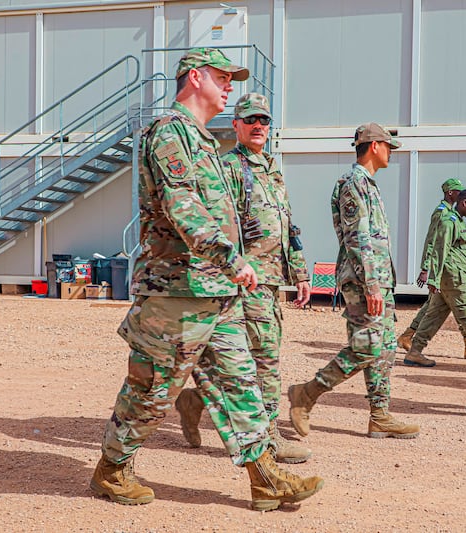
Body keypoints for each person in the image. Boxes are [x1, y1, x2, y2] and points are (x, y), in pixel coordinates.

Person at [89, 48, 322, 512]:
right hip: (177, 291)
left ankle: (265, 477)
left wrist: (232, 267)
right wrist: (231, 257)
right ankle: (112, 469)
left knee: (240, 383)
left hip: (217, 290)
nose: (230, 85)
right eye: (222, 76)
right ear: (194, 78)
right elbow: (182, 207)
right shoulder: (168, 134)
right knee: (152, 389)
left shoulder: (204, 142)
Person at [175, 93, 312, 464]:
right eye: (251, 120)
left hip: (271, 280)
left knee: (252, 358)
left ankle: (193, 401)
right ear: (235, 125)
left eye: (264, 121)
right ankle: (268, 437)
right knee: (264, 359)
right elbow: (217, 224)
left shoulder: (271, 169)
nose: (259, 126)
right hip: (245, 281)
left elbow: (286, 226)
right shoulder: (228, 168)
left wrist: (298, 272)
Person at [287, 122, 419, 439]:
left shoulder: (368, 184)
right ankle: (306, 394)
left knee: (385, 348)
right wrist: (371, 284)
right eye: (388, 146)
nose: (391, 152)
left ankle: (380, 416)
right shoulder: (353, 184)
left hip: (377, 279)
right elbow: (357, 238)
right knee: (367, 346)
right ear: (374, 146)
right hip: (363, 281)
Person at [403, 188, 466, 367]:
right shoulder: (449, 222)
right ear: (464, 203)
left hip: (450, 279)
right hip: (454, 280)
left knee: (433, 316)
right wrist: (433, 279)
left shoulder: (459, 223)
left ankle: (414, 352)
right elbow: (440, 251)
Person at [398, 178, 466, 361]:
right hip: (442, 270)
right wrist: (427, 268)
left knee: (440, 306)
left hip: (450, 269)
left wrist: (464, 264)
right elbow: (433, 241)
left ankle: (409, 337)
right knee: (452, 306)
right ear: (451, 193)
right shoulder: (442, 214)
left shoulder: (453, 214)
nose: (462, 194)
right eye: (459, 191)